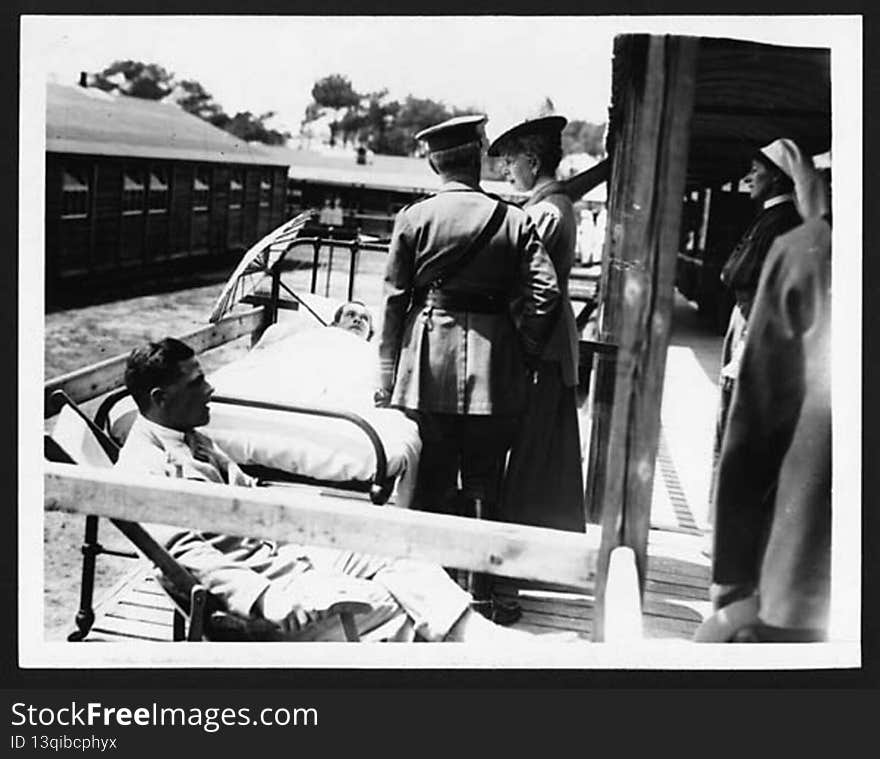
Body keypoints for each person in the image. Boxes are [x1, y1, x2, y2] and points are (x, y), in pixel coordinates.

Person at [115, 336, 550, 643]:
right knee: (386, 602)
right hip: (263, 593)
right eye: (195, 383)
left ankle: (483, 641)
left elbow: (250, 492)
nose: (210, 389)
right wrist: (274, 600)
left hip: (283, 554)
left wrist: (318, 524)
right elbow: (189, 561)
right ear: (160, 397)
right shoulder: (144, 471)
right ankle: (490, 655)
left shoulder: (192, 437)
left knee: (393, 546)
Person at [376, 114, 561, 622]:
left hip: (427, 363)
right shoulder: (514, 219)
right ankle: (482, 591)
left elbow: (393, 302)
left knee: (431, 475)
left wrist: (385, 373)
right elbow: (546, 292)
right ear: (478, 156)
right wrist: (520, 346)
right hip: (495, 364)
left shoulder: (414, 219)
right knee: (485, 479)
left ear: (435, 161)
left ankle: (428, 596)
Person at [700, 167, 831, 643]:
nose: (750, 180)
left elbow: (755, 430)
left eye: (758, 173)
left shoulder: (803, 249)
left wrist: (732, 573)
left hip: (804, 579)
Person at [706, 139, 811, 532]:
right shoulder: (769, 217)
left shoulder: (781, 221)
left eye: (757, 169)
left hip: (755, 329)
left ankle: (729, 528)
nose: (748, 176)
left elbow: (750, 279)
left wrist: (747, 344)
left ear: (779, 177)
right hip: (746, 322)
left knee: (738, 426)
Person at [487, 115, 584, 533]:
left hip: (540, 344)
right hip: (551, 341)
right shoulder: (553, 204)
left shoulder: (545, 211)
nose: (504, 171)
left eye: (509, 161)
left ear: (531, 160)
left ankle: (519, 549)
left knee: (532, 452)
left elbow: (523, 282)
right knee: (542, 451)